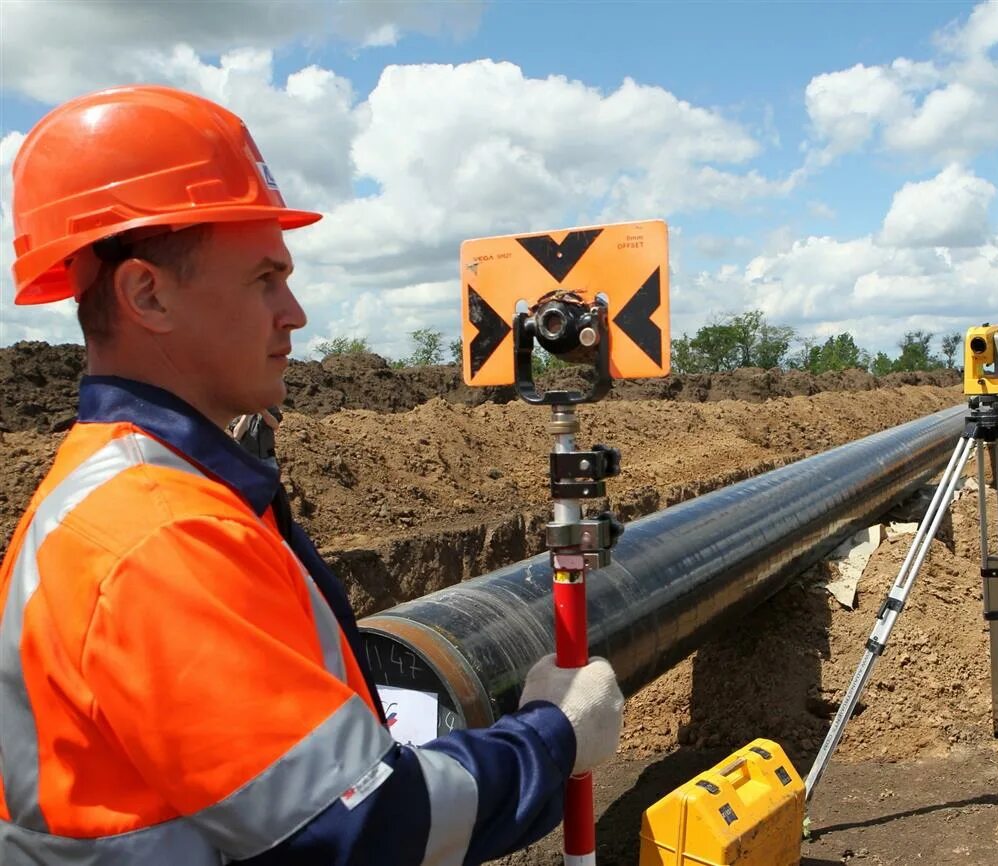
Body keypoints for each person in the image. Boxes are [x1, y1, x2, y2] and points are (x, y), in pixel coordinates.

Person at [0, 85, 624, 866]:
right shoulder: (156, 536)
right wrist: (553, 737)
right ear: (146, 294)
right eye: (265, 278)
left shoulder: (141, 488)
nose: (293, 313)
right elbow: (360, 828)